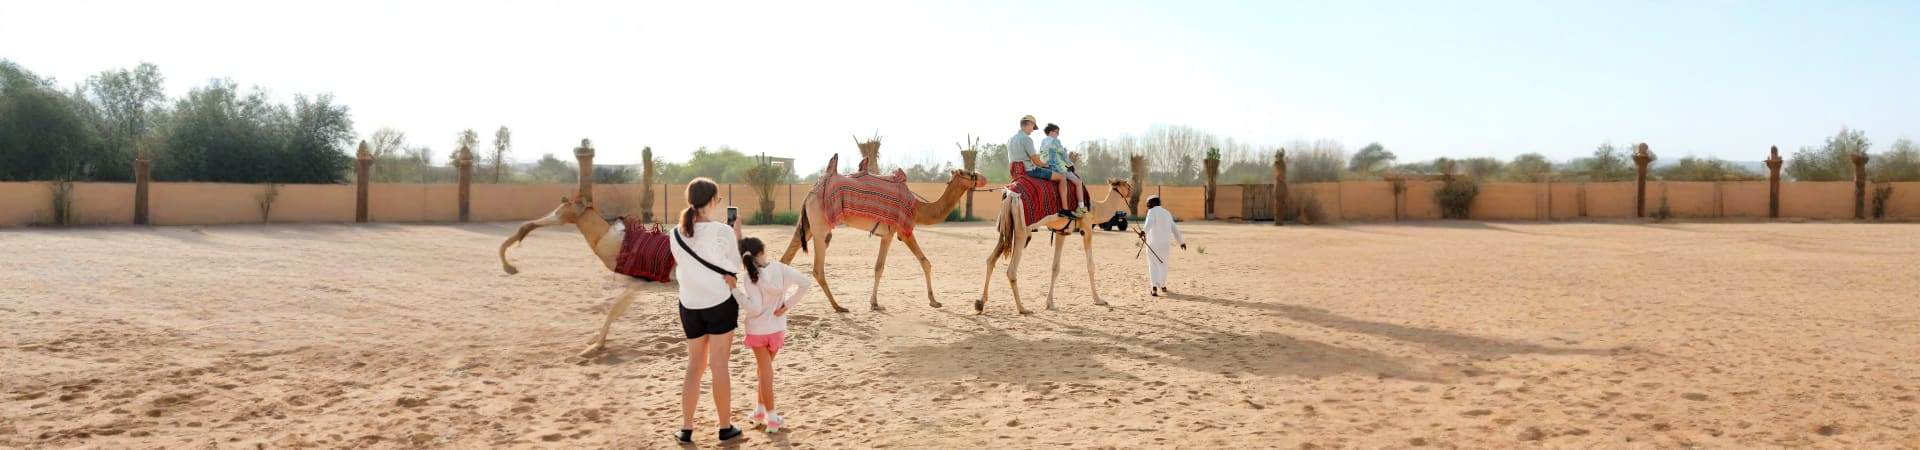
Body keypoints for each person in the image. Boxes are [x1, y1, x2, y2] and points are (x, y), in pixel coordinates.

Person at [668, 178, 747, 444]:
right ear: (712, 201)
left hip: (690, 305)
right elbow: (735, 266)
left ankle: (687, 428)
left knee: (694, 365)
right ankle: (725, 427)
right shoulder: (720, 231)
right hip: (719, 303)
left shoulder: (674, 233)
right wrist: (736, 234)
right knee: (719, 363)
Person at [732, 237, 812, 434]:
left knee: (765, 374)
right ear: (763, 250)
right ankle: (760, 413)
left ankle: (772, 418)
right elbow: (805, 282)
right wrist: (787, 305)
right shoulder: (781, 269)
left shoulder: (749, 277)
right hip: (777, 330)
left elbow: (755, 308)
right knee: (763, 372)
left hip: (758, 331)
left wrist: (735, 290)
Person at [1009, 114, 1078, 219]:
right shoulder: (1027, 139)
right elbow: (1036, 161)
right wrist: (1046, 165)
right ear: (1029, 124)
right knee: (1062, 178)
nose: (1032, 130)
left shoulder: (1011, 139)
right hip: (1029, 170)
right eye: (1033, 127)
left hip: (1015, 172)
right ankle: (1065, 209)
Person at [1136, 195, 1187, 297]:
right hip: (1165, 245)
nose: (1147, 205)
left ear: (1154, 203)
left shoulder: (1152, 212)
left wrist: (1143, 232)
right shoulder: (1167, 213)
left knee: (1153, 265)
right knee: (1163, 265)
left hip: (1153, 244)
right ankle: (1162, 285)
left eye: (1148, 203)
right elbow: (1174, 228)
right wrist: (1181, 242)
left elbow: (1149, 223)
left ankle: (1154, 287)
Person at [1040, 123, 1087, 217]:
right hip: (1059, 169)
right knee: (1078, 182)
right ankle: (1081, 208)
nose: (1058, 134)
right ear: (1051, 132)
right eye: (1056, 132)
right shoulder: (1056, 141)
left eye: (1058, 132)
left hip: (1046, 167)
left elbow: (1042, 156)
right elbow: (1064, 155)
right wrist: (1070, 165)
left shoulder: (1043, 142)